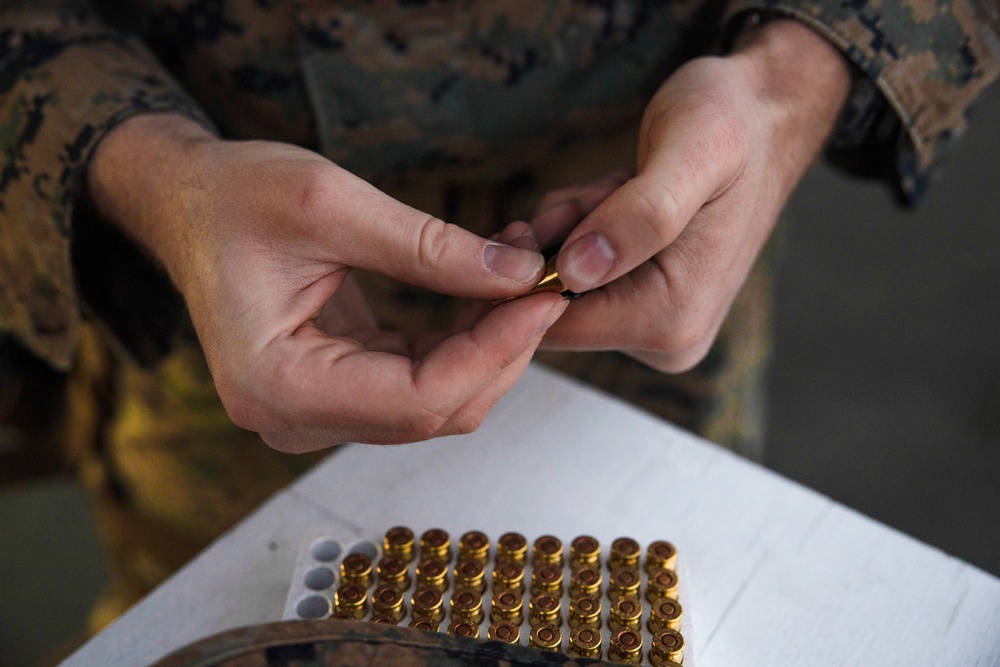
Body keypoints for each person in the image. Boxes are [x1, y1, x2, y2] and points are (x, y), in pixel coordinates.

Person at [1, 0, 997, 635]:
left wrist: (792, 82)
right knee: (233, 615)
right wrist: (148, 174)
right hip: (218, 312)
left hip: (663, 259)